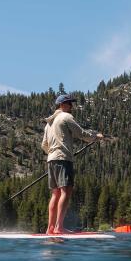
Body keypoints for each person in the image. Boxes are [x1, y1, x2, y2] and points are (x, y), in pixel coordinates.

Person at [41, 94, 106, 235]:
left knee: (55, 193)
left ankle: (50, 228)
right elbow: (81, 133)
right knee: (66, 191)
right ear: (62, 105)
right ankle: (59, 227)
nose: (72, 106)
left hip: (51, 159)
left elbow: (44, 145)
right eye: (69, 103)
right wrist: (96, 137)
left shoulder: (49, 123)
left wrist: (54, 152)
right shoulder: (66, 117)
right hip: (63, 159)